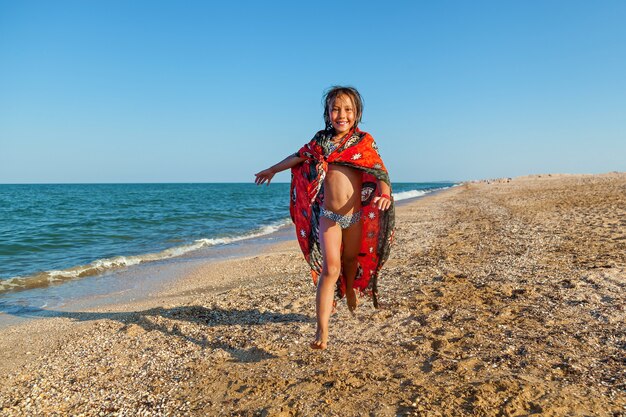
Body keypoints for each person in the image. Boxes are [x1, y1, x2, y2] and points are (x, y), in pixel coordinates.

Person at [255, 86, 394, 350]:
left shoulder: (363, 142)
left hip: (354, 217)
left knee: (350, 260)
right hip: (328, 217)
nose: (341, 115)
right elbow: (299, 157)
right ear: (327, 113)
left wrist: (384, 193)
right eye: (335, 109)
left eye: (348, 110)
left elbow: (380, 172)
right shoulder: (321, 142)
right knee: (330, 270)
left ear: (357, 113)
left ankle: (351, 289)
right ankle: (322, 329)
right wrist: (273, 169)